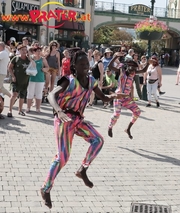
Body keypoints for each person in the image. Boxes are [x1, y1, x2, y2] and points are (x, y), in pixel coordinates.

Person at [40, 49, 126, 209]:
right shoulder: (69, 80)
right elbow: (51, 95)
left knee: (98, 140)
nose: (86, 67)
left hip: (78, 120)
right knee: (62, 158)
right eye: (82, 64)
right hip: (64, 120)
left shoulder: (91, 80)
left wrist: (114, 96)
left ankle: (82, 169)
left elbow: (104, 97)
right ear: (74, 66)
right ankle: (45, 189)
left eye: (87, 64)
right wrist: (58, 110)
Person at [107, 52, 150, 139]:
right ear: (127, 67)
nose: (133, 72)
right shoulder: (121, 71)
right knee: (116, 115)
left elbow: (144, 70)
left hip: (126, 98)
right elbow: (110, 66)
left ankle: (128, 129)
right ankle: (110, 127)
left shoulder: (133, 73)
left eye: (134, 70)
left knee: (137, 112)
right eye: (131, 69)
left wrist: (149, 63)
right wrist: (115, 57)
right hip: (118, 96)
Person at [7, 44, 31, 117]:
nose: (24, 51)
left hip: (25, 80)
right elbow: (9, 67)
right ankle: (10, 110)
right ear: (19, 51)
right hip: (16, 80)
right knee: (14, 94)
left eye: (25, 50)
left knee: (22, 96)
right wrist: (13, 76)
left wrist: (30, 58)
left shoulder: (28, 59)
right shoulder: (16, 58)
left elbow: (34, 66)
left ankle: (20, 110)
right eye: (22, 50)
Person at [26, 46, 50, 113]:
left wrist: (45, 69)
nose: (39, 52)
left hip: (40, 78)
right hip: (31, 78)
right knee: (30, 93)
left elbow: (47, 67)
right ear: (34, 52)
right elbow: (26, 54)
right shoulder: (31, 58)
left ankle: (38, 108)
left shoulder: (43, 59)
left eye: (40, 51)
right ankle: (28, 107)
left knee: (39, 94)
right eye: (37, 51)